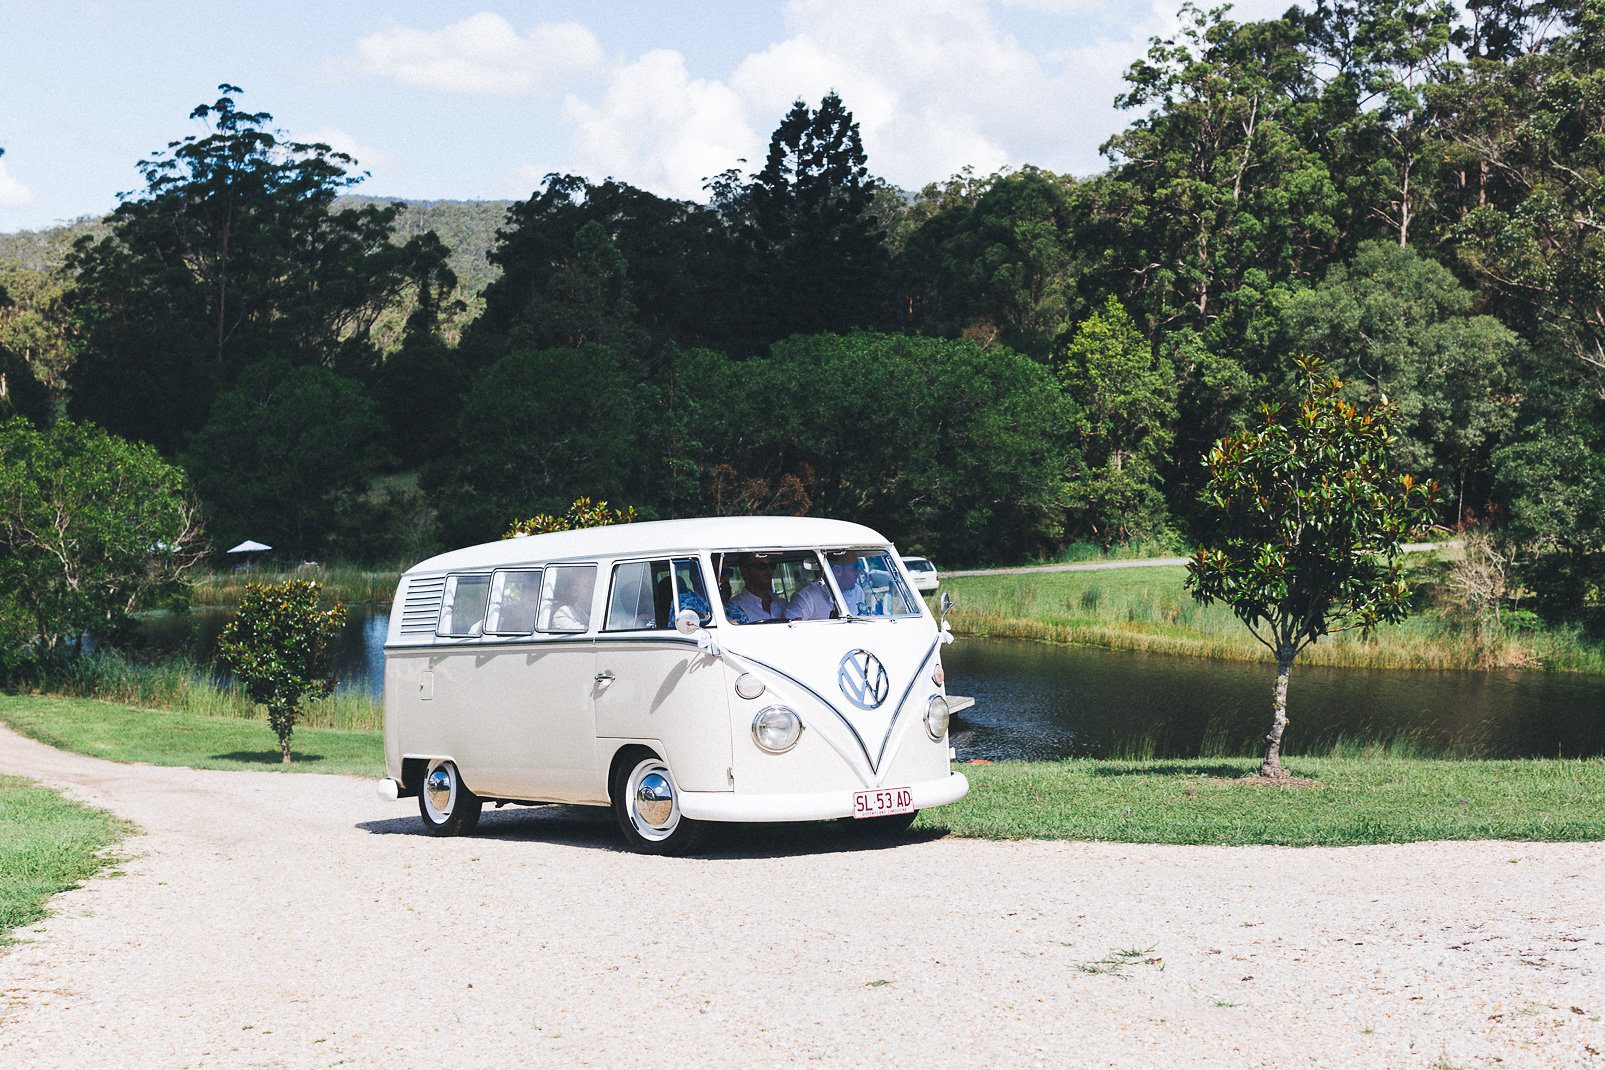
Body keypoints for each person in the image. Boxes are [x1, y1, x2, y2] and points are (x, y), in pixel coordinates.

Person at [727, 557, 789, 622]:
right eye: (761, 566)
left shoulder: (783, 604)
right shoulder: (733, 609)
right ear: (745, 571)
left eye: (772, 566)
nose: (769, 571)